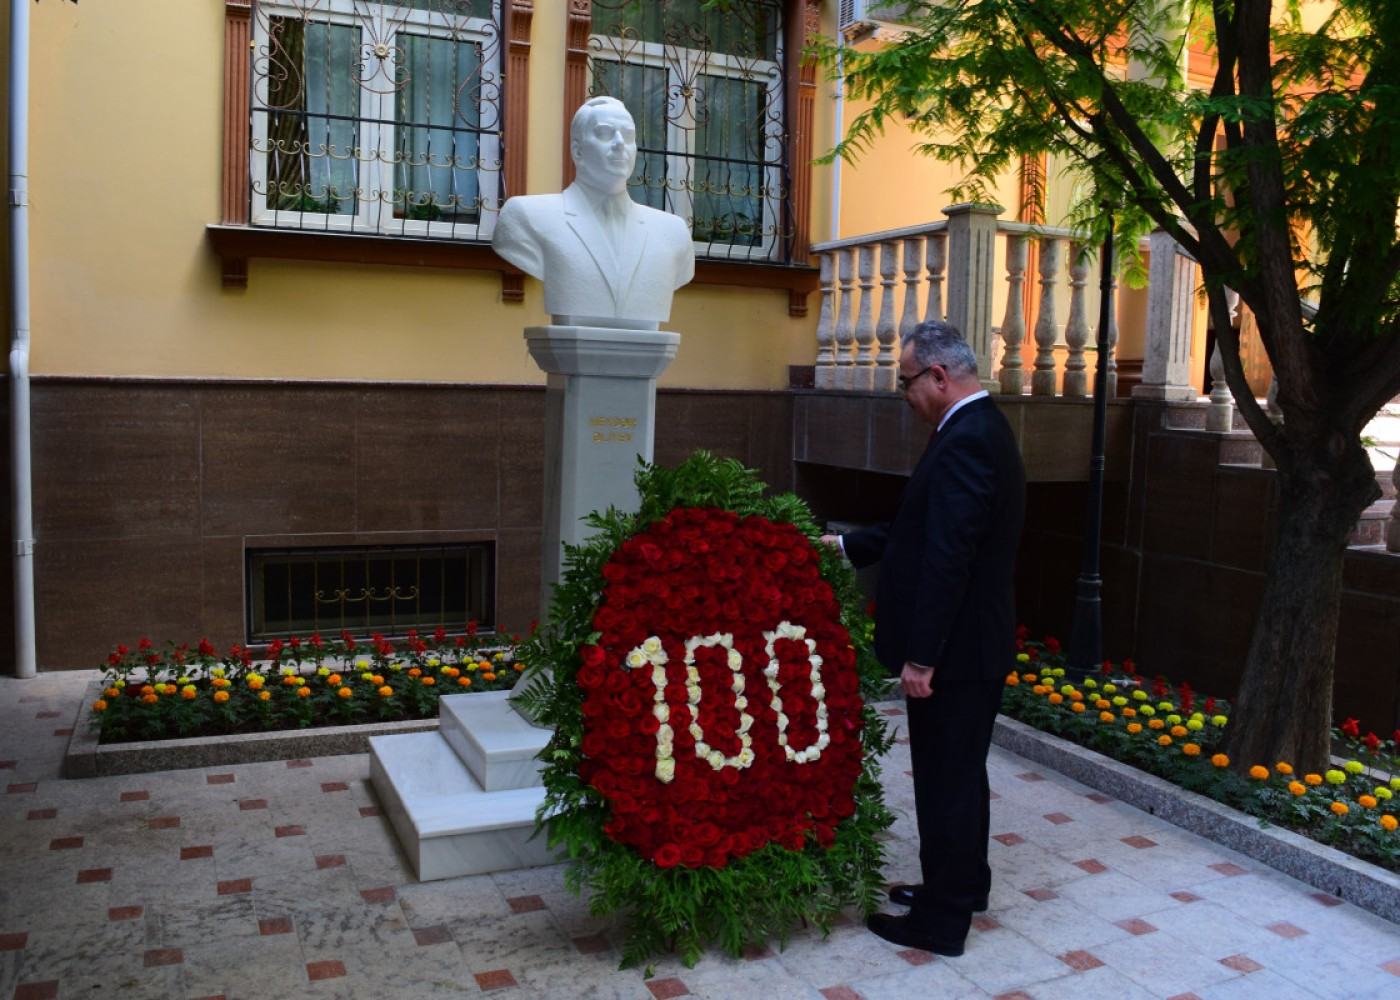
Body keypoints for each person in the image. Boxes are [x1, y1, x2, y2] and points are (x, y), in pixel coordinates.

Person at [822, 320, 1025, 957]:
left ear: (939, 376)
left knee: (947, 781)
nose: (904, 394)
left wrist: (922, 655)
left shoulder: (966, 439)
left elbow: (949, 557)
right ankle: (963, 886)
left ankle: (941, 921)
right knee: (959, 776)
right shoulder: (975, 428)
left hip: (956, 654)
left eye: (907, 382)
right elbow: (922, 525)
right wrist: (847, 546)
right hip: (971, 647)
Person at [491, 96, 695, 330]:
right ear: (577, 151)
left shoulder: (673, 232)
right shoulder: (526, 217)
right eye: (605, 133)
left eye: (628, 136)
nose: (620, 143)